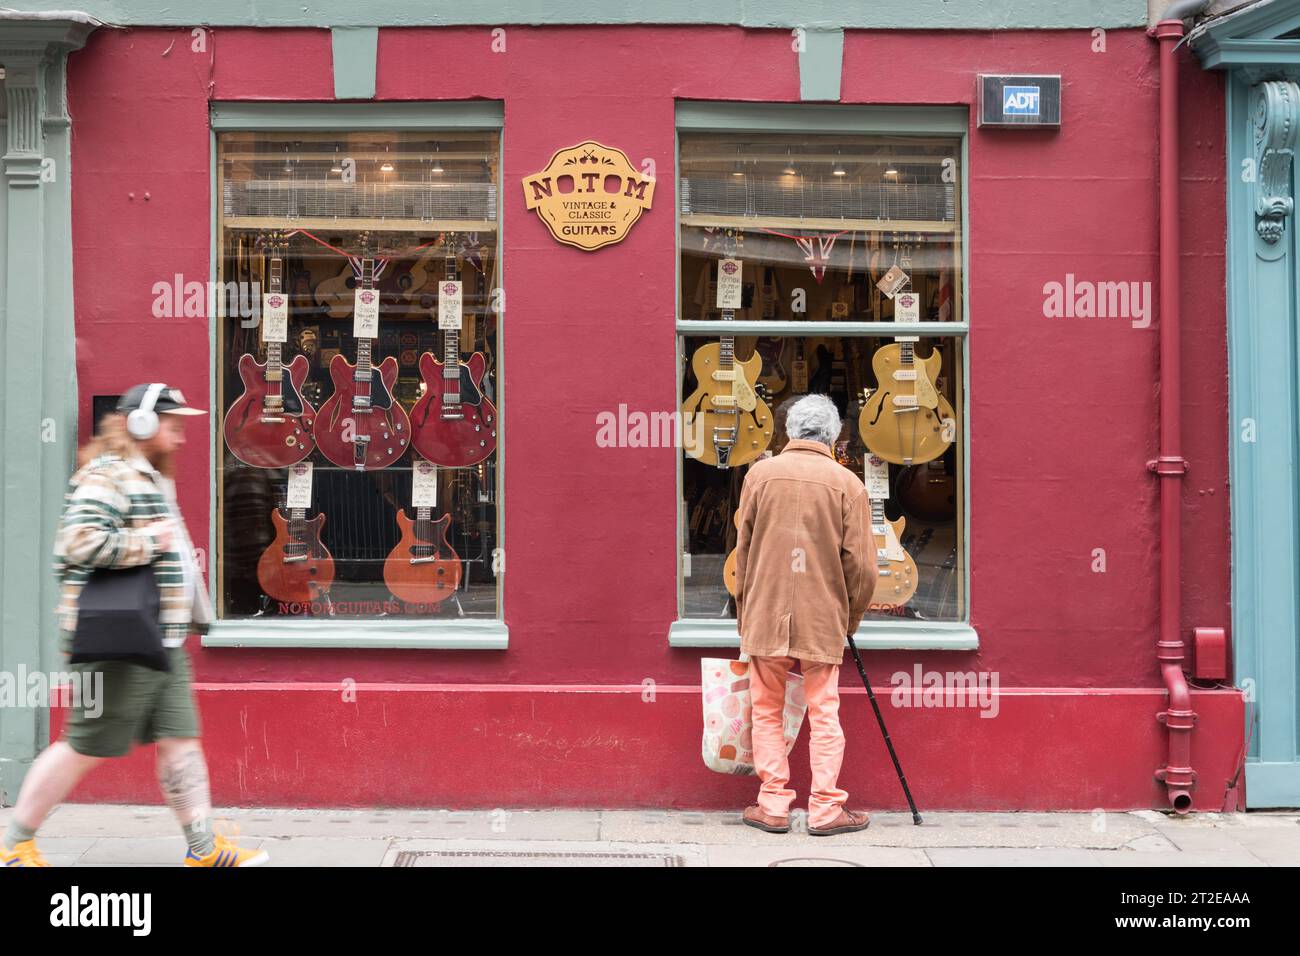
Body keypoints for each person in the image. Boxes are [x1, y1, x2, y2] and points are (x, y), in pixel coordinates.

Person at [1, 383, 269, 867]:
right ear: (140, 423)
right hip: (117, 643)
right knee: (83, 745)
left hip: (160, 640)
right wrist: (147, 540)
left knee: (180, 740)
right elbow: (76, 544)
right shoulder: (108, 476)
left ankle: (204, 850)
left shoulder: (146, 476)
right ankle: (14, 844)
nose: (182, 435)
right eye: (172, 423)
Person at [733, 393, 878, 836]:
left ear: (790, 432)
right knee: (824, 713)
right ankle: (825, 807)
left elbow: (743, 551)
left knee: (766, 710)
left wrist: (745, 611)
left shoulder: (760, 475)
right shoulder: (848, 484)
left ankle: (774, 803)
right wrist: (848, 619)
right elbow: (864, 569)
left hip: (766, 610)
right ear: (833, 436)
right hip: (822, 616)